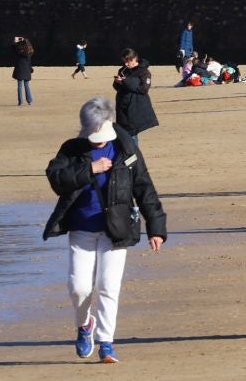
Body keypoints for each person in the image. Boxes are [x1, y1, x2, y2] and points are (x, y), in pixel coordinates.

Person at [44, 97, 167, 364]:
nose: (99, 141)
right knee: (78, 287)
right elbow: (56, 179)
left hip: (117, 228)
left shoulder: (126, 148)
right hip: (81, 228)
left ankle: (106, 342)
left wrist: (156, 227)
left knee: (108, 286)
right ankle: (84, 325)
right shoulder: (71, 149)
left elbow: (144, 187)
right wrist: (89, 169)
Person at [111, 49, 159, 135]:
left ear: (134, 59)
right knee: (123, 134)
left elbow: (144, 89)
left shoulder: (144, 72)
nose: (126, 64)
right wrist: (117, 82)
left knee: (132, 134)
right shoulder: (122, 70)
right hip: (122, 106)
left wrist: (125, 81)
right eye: (124, 61)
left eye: (127, 61)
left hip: (135, 107)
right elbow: (117, 87)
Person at [12, 37, 35, 106]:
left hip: (19, 69)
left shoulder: (19, 51)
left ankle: (20, 102)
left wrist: (15, 42)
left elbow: (14, 48)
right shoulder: (29, 52)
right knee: (26, 85)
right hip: (27, 69)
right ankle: (29, 101)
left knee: (19, 85)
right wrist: (25, 40)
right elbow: (29, 46)